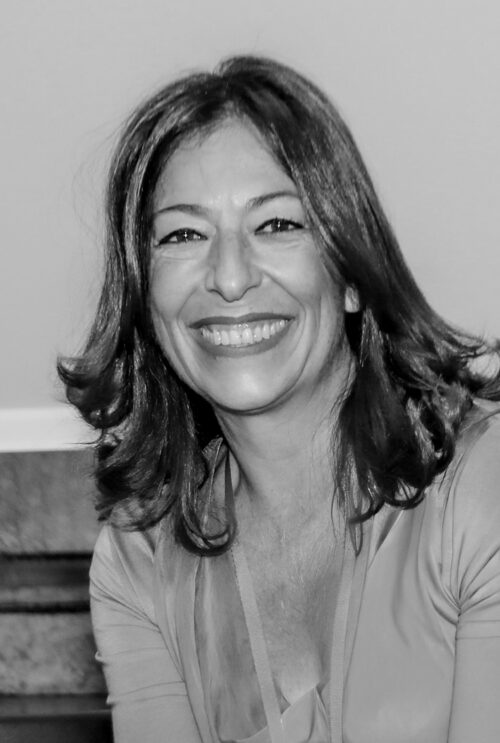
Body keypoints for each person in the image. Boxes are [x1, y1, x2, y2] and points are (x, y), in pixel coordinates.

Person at [59, 55, 500, 743]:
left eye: (277, 225)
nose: (230, 277)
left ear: (351, 276)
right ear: (146, 300)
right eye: (183, 235)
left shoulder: (480, 486)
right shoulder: (138, 560)